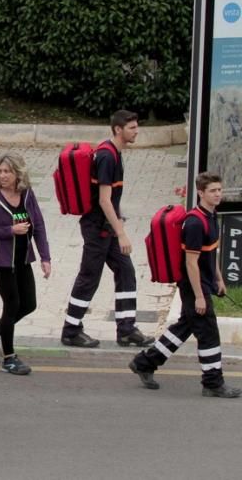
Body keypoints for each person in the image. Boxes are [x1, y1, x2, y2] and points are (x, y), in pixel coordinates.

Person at [129, 172, 242, 398]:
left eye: (219, 190)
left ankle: (144, 362)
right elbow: (191, 263)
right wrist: (200, 296)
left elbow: (210, 254)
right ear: (201, 193)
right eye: (213, 191)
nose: (218, 194)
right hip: (193, 286)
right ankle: (212, 383)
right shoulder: (194, 223)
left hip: (203, 283)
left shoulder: (211, 216)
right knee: (209, 334)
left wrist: (218, 279)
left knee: (184, 327)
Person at [61, 110, 153, 348]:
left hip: (107, 227)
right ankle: (71, 330)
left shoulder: (114, 153)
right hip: (97, 228)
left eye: (136, 126)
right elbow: (103, 200)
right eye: (131, 128)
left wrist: (118, 222)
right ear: (117, 130)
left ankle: (126, 329)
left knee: (126, 271)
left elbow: (113, 198)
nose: (136, 131)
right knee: (89, 276)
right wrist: (120, 231)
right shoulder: (107, 157)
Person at [0, 153, 52, 375]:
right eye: (0, 171)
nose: (3, 175)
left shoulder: (27, 194)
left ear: (18, 173)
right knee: (12, 304)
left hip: (23, 258)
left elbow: (39, 225)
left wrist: (45, 258)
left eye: (7, 171)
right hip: (1, 260)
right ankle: (9, 357)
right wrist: (10, 230)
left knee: (29, 304)